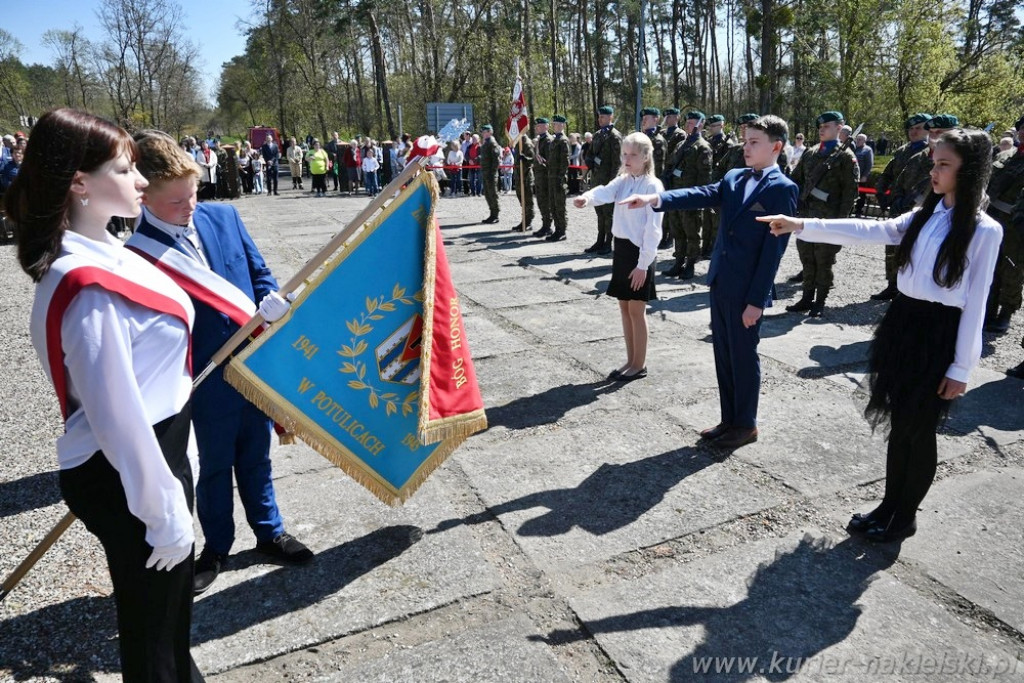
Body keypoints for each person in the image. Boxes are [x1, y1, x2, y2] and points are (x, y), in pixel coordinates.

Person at [6, 108, 204, 681]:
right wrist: (161, 506)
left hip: (153, 457)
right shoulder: (84, 283)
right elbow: (117, 415)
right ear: (79, 182)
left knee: (169, 627)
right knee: (153, 640)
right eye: (125, 168)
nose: (142, 181)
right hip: (130, 473)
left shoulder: (105, 250)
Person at [761, 128, 1001, 542]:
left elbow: (977, 305)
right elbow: (868, 231)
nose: (934, 171)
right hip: (902, 324)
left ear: (969, 171)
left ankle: (904, 517)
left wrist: (962, 366)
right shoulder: (925, 214)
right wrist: (801, 224)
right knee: (898, 423)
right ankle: (889, 506)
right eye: (934, 162)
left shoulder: (984, 230)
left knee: (918, 428)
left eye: (944, 164)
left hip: (937, 334)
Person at [127, 131, 312, 594]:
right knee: (212, 467)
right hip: (200, 379)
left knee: (257, 455)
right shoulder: (134, 255)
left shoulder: (223, 216)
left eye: (192, 193)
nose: (189, 207)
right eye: (174, 202)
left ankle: (270, 532)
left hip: (252, 364)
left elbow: (258, 271)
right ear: (142, 196)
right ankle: (217, 547)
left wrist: (274, 303)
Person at [622, 115, 797, 450]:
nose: (746, 147)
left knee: (744, 357)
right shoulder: (733, 176)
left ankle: (746, 424)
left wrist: (757, 301)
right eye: (745, 141)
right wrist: (655, 200)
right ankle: (729, 418)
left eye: (754, 142)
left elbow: (773, 252)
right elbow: (702, 192)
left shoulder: (783, 189)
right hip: (721, 281)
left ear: (776, 146)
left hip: (747, 290)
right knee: (724, 355)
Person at [573, 132, 663, 381]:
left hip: (639, 253)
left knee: (636, 310)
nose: (627, 158)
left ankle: (639, 364)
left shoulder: (652, 186)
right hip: (622, 249)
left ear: (646, 157)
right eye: (625, 154)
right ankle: (630, 360)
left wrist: (643, 265)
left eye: (633, 154)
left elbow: (653, 231)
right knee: (624, 308)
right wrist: (586, 198)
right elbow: (605, 191)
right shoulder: (623, 180)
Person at [787, 110, 859, 317]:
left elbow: (849, 194)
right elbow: (795, 180)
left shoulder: (845, 157)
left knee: (824, 262)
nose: (822, 130)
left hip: (829, 220)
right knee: (807, 259)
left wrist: (841, 224)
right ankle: (806, 297)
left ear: (839, 127)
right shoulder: (810, 153)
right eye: (820, 127)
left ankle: (820, 301)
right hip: (806, 218)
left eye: (826, 126)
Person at [872, 113, 932, 300]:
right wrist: (881, 194)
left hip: (921, 208)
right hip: (898, 205)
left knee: (914, 248)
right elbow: (888, 175)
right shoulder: (902, 151)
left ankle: (909, 288)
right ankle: (892, 283)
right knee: (892, 245)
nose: (914, 132)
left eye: (919, 128)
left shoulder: (934, 152)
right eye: (911, 129)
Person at [983, 114, 1024, 333]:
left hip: (1017, 227)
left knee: (1012, 269)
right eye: (1022, 128)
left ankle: (1006, 313)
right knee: (990, 266)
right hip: (993, 218)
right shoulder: (1006, 155)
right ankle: (987, 310)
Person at [661, 110, 713, 279]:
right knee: (677, 229)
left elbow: (704, 177)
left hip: (690, 195)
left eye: (692, 122)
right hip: (676, 193)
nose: (688, 125)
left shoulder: (703, 147)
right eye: (688, 122)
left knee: (691, 231)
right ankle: (679, 261)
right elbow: (670, 163)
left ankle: (690, 263)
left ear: (701, 124)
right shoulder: (681, 144)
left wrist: (699, 198)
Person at [584, 105, 622, 254]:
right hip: (596, 180)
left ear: (610, 117)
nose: (600, 119)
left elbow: (617, 163)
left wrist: (613, 184)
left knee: (609, 214)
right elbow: (590, 153)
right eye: (599, 116)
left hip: (607, 181)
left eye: (603, 117)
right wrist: (589, 160)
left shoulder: (615, 136)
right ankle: (600, 240)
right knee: (599, 212)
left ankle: (608, 242)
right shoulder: (598, 134)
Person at [544, 115, 571, 242]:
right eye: (553, 124)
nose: (553, 126)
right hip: (551, 177)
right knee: (553, 205)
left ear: (561, 125)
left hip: (559, 179)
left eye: (555, 124)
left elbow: (565, 162)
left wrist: (561, 177)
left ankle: (562, 231)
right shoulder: (555, 140)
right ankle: (557, 229)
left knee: (560, 206)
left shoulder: (563, 141)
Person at [533, 117, 555, 238]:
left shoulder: (548, 140)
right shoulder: (539, 140)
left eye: (540, 125)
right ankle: (545, 224)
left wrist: (544, 162)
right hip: (539, 176)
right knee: (541, 201)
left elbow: (550, 160)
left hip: (546, 177)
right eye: (537, 126)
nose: (537, 127)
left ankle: (548, 226)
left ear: (546, 126)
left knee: (546, 202)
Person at [512, 131, 535, 232]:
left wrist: (525, 158)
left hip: (526, 175)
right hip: (519, 174)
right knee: (521, 199)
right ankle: (524, 220)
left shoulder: (527, 143)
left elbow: (532, 158)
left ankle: (528, 222)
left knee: (527, 199)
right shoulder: (518, 142)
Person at [479, 124, 502, 223]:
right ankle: (492, 214)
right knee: (488, 194)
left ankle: (495, 215)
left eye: (485, 132)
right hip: (486, 172)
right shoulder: (486, 143)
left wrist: (492, 173)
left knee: (493, 194)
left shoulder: (492, 143)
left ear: (490, 132)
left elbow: (496, 160)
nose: (483, 134)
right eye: (483, 132)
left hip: (491, 174)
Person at [853, 133, 874, 217]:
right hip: (853, 176)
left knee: (861, 195)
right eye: (857, 139)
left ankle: (859, 210)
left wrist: (865, 176)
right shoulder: (853, 149)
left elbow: (869, 164)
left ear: (864, 141)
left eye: (860, 139)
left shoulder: (867, 150)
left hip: (862, 176)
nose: (858, 141)